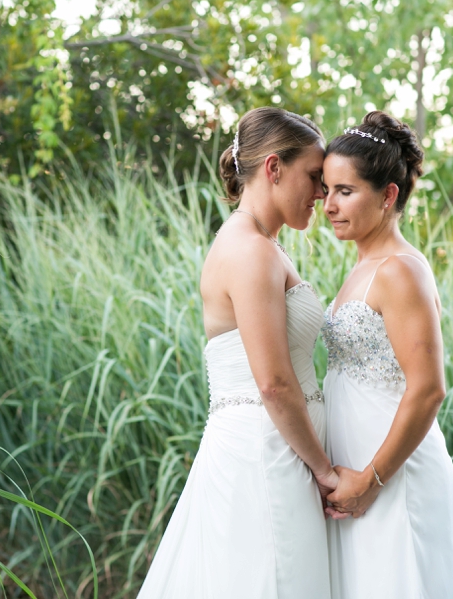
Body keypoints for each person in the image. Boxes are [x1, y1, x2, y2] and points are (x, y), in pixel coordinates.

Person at [137, 107, 337, 598]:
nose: (322, 193)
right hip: (266, 456)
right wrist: (325, 470)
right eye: (314, 176)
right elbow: (272, 381)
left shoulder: (260, 244)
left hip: (274, 448)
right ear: (273, 168)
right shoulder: (251, 251)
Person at [321, 110, 453, 598]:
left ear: (388, 195)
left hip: (393, 474)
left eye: (345, 191)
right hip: (360, 469)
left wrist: (372, 479)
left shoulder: (399, 270)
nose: (328, 205)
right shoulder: (365, 265)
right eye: (326, 189)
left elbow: (429, 388)